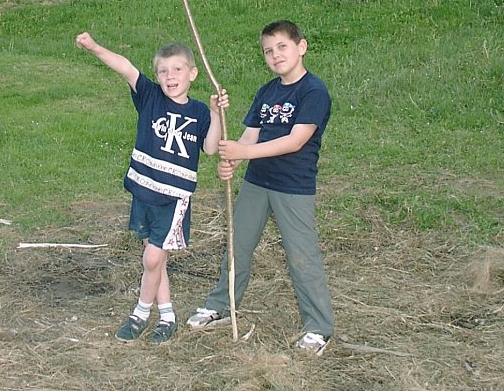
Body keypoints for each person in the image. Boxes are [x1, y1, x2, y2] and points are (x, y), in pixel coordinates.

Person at [186, 20, 334, 356]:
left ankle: (318, 328)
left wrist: (244, 152)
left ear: (302, 47)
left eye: (282, 47)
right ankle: (220, 306)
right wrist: (233, 160)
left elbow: (296, 140)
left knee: (302, 257)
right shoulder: (267, 92)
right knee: (237, 247)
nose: (275, 55)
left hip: (293, 187)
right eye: (268, 50)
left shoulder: (313, 91)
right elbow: (250, 136)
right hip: (257, 183)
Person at [75, 32, 228, 344]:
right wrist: (94, 48)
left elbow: (211, 148)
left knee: (152, 259)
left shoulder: (199, 112)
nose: (169, 77)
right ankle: (168, 316)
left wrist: (216, 113)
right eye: (163, 71)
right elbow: (125, 67)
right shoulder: (150, 97)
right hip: (143, 192)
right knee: (154, 257)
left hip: (172, 200)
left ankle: (141, 313)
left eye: (177, 69)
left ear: (192, 73)